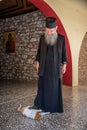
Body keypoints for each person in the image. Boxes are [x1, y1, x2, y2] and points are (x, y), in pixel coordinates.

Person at [31, 17, 68, 113]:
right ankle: (38, 104)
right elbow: (39, 52)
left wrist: (64, 64)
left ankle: (53, 107)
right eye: (47, 31)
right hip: (43, 66)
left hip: (55, 68)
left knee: (53, 87)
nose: (49, 33)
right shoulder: (42, 38)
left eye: (51, 31)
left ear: (56, 28)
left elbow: (64, 53)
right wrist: (37, 61)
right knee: (41, 86)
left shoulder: (61, 38)